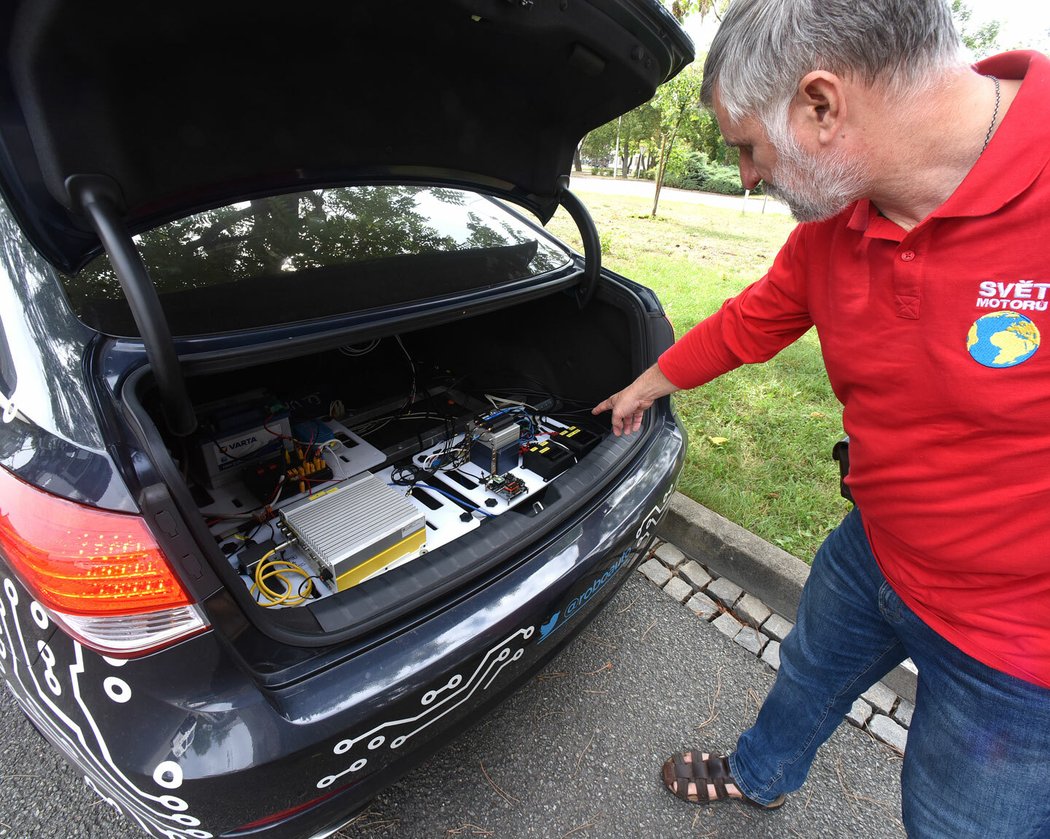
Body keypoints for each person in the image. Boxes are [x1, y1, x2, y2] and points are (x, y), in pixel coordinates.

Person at [592, 1, 1050, 836]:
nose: (746, 178)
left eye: (747, 147)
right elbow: (750, 321)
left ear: (821, 105)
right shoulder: (840, 222)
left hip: (1017, 651)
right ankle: (760, 773)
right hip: (871, 549)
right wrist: (647, 384)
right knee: (803, 675)